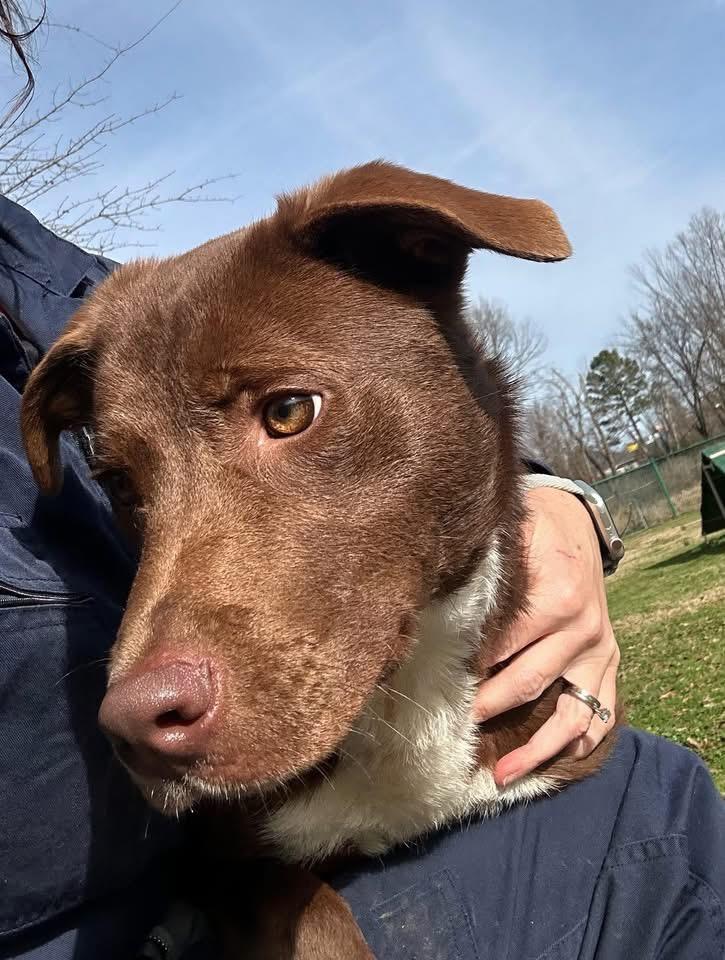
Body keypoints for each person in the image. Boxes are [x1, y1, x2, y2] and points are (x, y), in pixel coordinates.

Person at [0, 7, 721, 959]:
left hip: (498, 757)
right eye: (130, 489)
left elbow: (427, 396)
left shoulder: (56, 284)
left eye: (286, 411)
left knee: (666, 809)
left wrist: (555, 499)